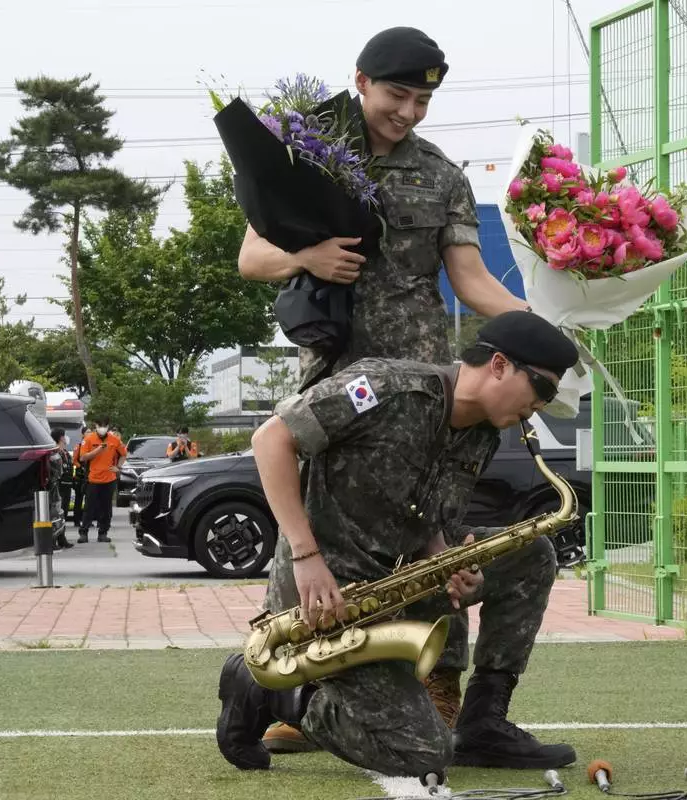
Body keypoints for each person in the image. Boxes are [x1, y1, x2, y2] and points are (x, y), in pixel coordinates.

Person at [237, 25, 531, 754]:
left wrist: (543, 321)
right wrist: (304, 255)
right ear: (362, 81)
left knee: (437, 527)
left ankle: (441, 685)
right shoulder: (307, 154)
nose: (409, 112)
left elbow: (469, 280)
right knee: (320, 528)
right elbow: (250, 257)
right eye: (399, 94)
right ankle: (306, 680)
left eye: (424, 99)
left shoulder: (442, 174)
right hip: (337, 373)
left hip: (428, 379)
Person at [216, 311, 579, 777]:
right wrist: (306, 556)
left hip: (396, 579)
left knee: (531, 552)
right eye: (542, 389)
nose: (541, 405)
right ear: (500, 364)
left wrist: (446, 564)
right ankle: (276, 692)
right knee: (423, 753)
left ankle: (484, 721)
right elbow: (271, 440)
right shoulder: (386, 387)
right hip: (325, 594)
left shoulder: (485, 433)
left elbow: (428, 514)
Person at [75, 416, 127, 544]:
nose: (102, 428)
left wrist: (118, 467)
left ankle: (103, 533)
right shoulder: (88, 439)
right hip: (93, 479)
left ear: (108, 427)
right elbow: (83, 458)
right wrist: (98, 450)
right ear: (95, 426)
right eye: (100, 426)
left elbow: (124, 454)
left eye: (105, 426)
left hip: (109, 479)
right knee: (89, 507)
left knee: (106, 508)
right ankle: (84, 533)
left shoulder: (114, 440)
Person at [50, 427, 76, 550]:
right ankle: (53, 539)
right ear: (61, 437)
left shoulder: (64, 451)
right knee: (55, 514)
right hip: (59, 486)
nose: (66, 438)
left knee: (63, 513)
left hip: (67, 485)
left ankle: (62, 538)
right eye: (64, 435)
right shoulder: (55, 452)